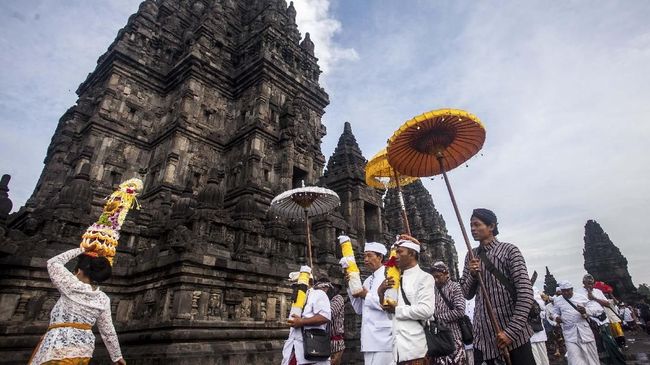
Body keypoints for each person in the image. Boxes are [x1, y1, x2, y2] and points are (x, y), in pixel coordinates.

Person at [461, 208, 536, 364]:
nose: (473, 229)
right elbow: (466, 294)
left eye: (477, 225)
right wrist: (473, 274)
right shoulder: (471, 255)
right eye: (471, 226)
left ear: (491, 226)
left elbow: (526, 294)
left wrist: (511, 332)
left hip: (513, 334)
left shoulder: (509, 251)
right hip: (483, 337)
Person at [29, 245, 125, 365]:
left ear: (78, 271)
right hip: (83, 351)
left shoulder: (72, 285)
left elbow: (53, 262)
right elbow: (108, 330)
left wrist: (82, 249)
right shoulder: (103, 299)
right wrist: (117, 356)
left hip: (58, 347)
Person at [378, 235, 435, 365]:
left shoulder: (424, 278)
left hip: (416, 350)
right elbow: (390, 315)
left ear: (412, 254)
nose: (395, 256)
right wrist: (380, 294)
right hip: (397, 351)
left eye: (400, 252)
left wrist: (396, 309)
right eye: (395, 252)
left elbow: (427, 310)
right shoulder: (397, 279)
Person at [348, 242, 393, 365]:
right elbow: (359, 310)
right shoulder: (368, 280)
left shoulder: (389, 275)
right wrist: (351, 287)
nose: (366, 260)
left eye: (369, 256)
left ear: (380, 257)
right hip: (368, 338)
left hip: (384, 338)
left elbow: (388, 305)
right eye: (364, 256)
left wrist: (365, 295)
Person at [282, 268, 332, 365]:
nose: (294, 288)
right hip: (295, 350)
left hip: (313, 350)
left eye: (297, 284)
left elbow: (325, 317)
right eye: (293, 285)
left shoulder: (318, 294)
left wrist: (302, 322)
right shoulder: (297, 301)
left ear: (308, 282)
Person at [575, 274, 626, 364]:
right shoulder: (578, 293)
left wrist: (594, 298)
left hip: (603, 320)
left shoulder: (598, 291)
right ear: (583, 283)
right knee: (599, 345)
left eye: (592, 283)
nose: (590, 285)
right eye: (588, 283)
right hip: (592, 322)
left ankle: (617, 361)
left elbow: (607, 304)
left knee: (610, 342)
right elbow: (580, 308)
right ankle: (604, 362)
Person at [552, 280, 602, 365]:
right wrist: (556, 317)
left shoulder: (581, 297)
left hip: (585, 331)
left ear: (572, 289)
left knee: (591, 357)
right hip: (570, 333)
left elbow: (598, 309)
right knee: (574, 358)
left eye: (568, 290)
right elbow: (554, 312)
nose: (566, 293)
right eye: (564, 291)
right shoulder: (558, 300)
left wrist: (585, 310)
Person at [430, 261, 467, 365]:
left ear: (446, 274)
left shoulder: (455, 287)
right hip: (439, 339)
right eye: (434, 277)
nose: (436, 280)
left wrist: (437, 319)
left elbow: (460, 311)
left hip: (454, 337)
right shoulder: (433, 289)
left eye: (439, 276)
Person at [315, 278, 345, 365]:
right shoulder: (324, 299)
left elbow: (328, 315)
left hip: (335, 342)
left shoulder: (338, 298)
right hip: (323, 341)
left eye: (335, 287)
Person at [530, 287, 550, 365]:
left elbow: (541, 306)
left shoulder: (534, 289)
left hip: (539, 332)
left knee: (544, 359)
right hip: (528, 335)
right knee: (535, 360)